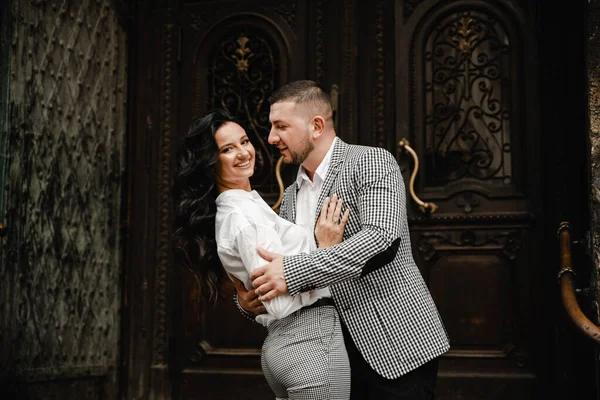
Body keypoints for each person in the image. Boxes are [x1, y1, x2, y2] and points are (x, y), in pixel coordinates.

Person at [235, 80, 451, 399]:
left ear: (316, 126)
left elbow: (381, 238)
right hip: (324, 354)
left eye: (281, 126)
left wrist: (292, 271)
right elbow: (285, 270)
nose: (271, 138)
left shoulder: (371, 162)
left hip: (392, 342)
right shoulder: (292, 194)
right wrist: (248, 303)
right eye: (270, 127)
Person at [173, 108, 352, 400]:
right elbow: (280, 304)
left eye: (244, 141)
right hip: (308, 342)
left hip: (290, 345)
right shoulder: (244, 219)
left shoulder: (244, 208)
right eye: (227, 149)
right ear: (209, 163)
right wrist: (326, 252)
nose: (244, 153)